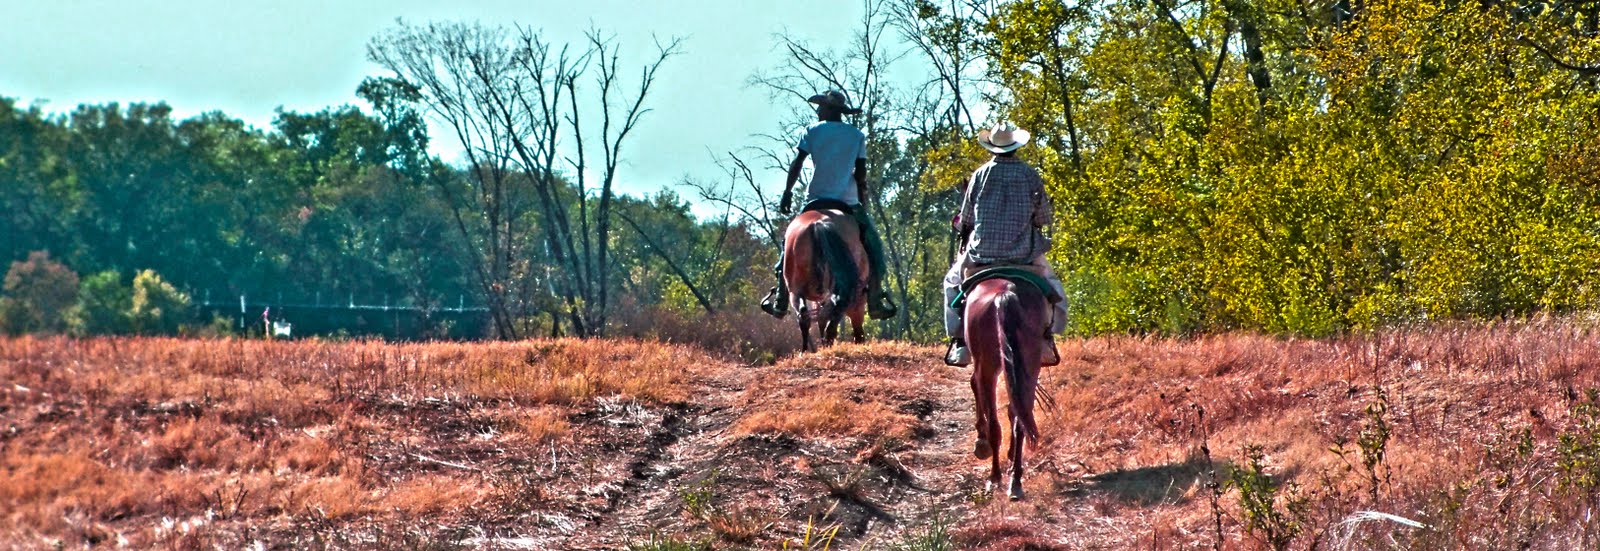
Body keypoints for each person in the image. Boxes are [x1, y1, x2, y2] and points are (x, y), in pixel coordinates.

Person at [760, 90, 897, 320]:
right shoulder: (856, 135)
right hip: (848, 201)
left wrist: (787, 192)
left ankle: (782, 300)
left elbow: (797, 163)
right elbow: (861, 173)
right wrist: (862, 194)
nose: (817, 110)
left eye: (821, 106)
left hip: (816, 198)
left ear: (829, 110)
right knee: (873, 246)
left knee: (788, 246)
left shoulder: (812, 131)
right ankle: (874, 299)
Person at [943, 123, 1067, 367]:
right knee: (1055, 290)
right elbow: (1044, 218)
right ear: (1015, 146)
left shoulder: (980, 175)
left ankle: (960, 341)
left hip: (982, 253)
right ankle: (1047, 339)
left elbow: (966, 219)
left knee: (951, 284)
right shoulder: (1030, 175)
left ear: (992, 147)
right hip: (1024, 255)